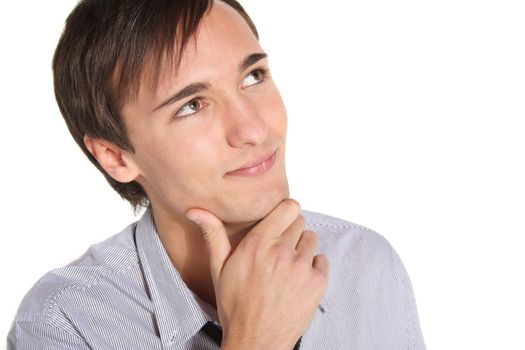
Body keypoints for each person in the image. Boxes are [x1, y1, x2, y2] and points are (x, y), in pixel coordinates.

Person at [7, 0, 426, 348]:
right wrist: (254, 339)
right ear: (115, 156)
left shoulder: (366, 264)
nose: (255, 130)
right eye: (191, 105)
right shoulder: (65, 324)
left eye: (253, 76)